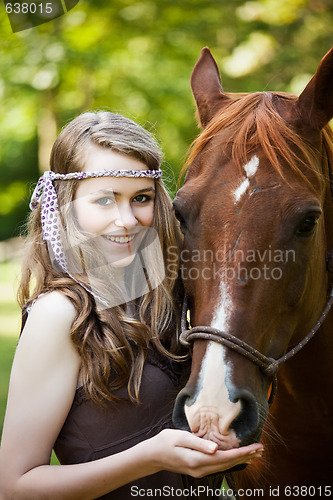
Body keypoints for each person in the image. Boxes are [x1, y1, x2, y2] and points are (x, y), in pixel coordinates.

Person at [0, 111, 263, 500]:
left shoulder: (171, 295)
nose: (126, 220)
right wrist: (149, 458)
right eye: (105, 200)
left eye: (140, 198)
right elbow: (15, 486)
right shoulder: (60, 315)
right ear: (67, 204)